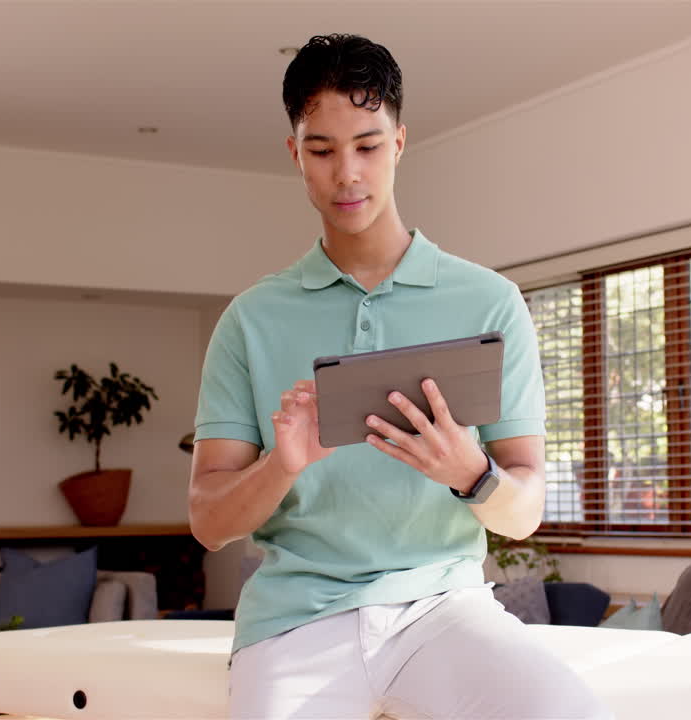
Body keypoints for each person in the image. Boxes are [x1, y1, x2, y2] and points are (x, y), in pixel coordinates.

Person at [189, 33, 610, 720]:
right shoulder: (251, 320)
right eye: (322, 150)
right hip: (296, 623)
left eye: (368, 145)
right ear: (296, 154)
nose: (348, 174)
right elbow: (208, 522)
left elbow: (525, 509)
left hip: (444, 610)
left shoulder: (489, 302)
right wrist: (282, 466)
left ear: (401, 143)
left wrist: (470, 474)